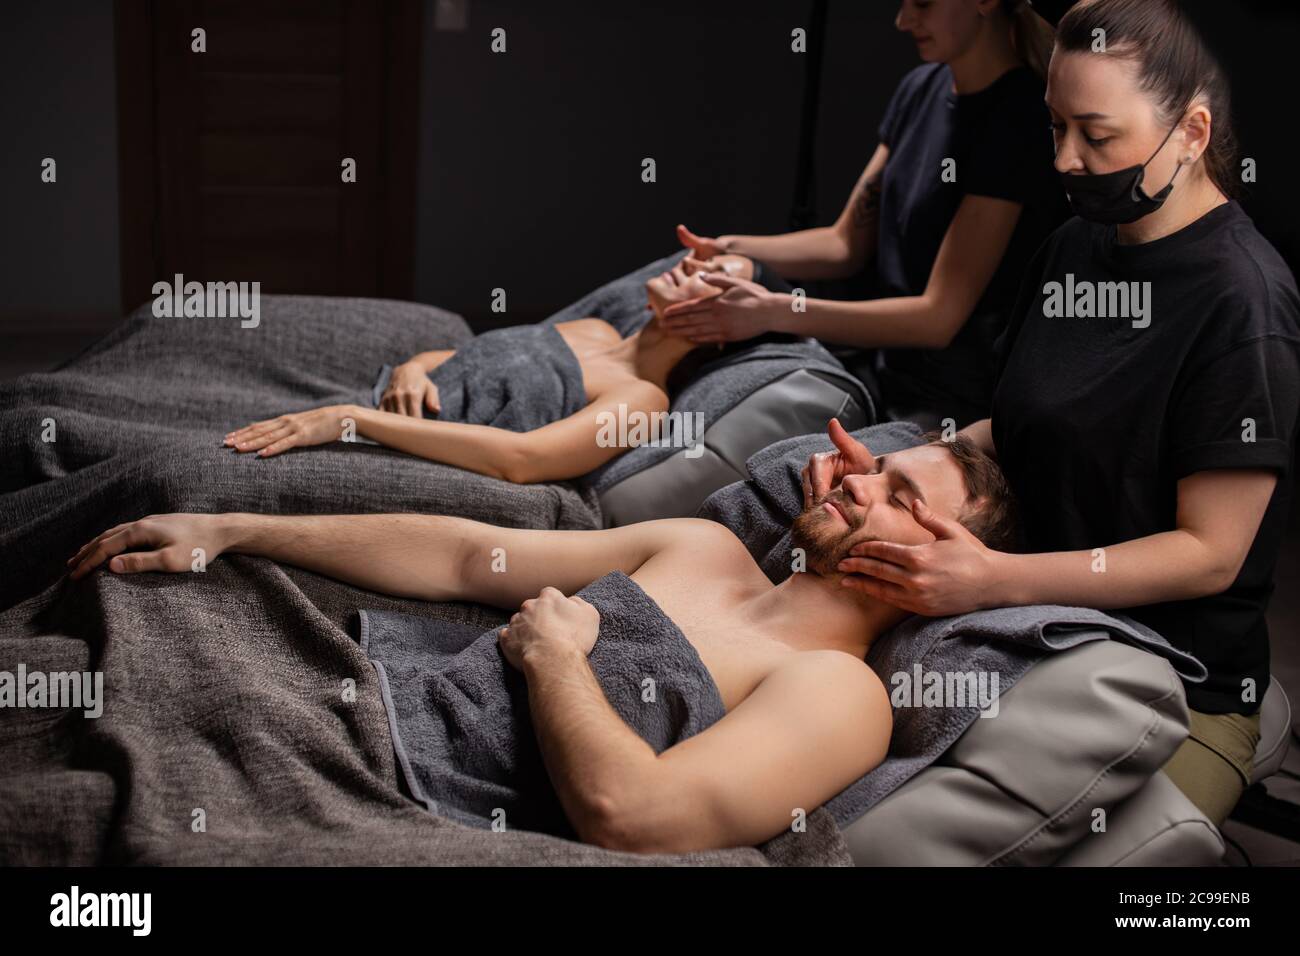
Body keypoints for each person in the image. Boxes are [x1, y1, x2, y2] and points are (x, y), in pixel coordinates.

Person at [66, 427, 1018, 852]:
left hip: (393, 791)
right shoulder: (706, 547)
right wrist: (235, 528)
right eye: (877, 468)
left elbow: (636, 818)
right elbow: (465, 558)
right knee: (113, 604)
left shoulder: (838, 692)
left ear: (953, 566)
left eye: (901, 498)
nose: (861, 484)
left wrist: (557, 660)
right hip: (356, 687)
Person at [811, 0, 1300, 827]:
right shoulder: (1075, 249)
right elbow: (1021, 423)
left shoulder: (1242, 304)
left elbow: (1210, 556)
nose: (1067, 161)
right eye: (1055, 129)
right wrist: (895, 465)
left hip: (1174, 678)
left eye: (1098, 136)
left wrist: (995, 581)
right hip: (1034, 625)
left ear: (1191, 131)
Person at [666, 0, 1066, 429]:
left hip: (947, 400)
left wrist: (772, 311)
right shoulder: (921, 87)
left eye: (923, 4)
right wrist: (725, 246)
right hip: (877, 369)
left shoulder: (1018, 117)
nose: (903, 20)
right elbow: (844, 244)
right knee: (706, 271)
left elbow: (938, 319)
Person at [221, 256, 756, 483]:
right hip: (373, 399)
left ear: (718, 325)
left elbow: (522, 461)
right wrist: (413, 368)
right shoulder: (595, 332)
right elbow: (469, 356)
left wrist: (350, 420)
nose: (692, 262)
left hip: (398, 448)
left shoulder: (643, 399)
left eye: (713, 276)